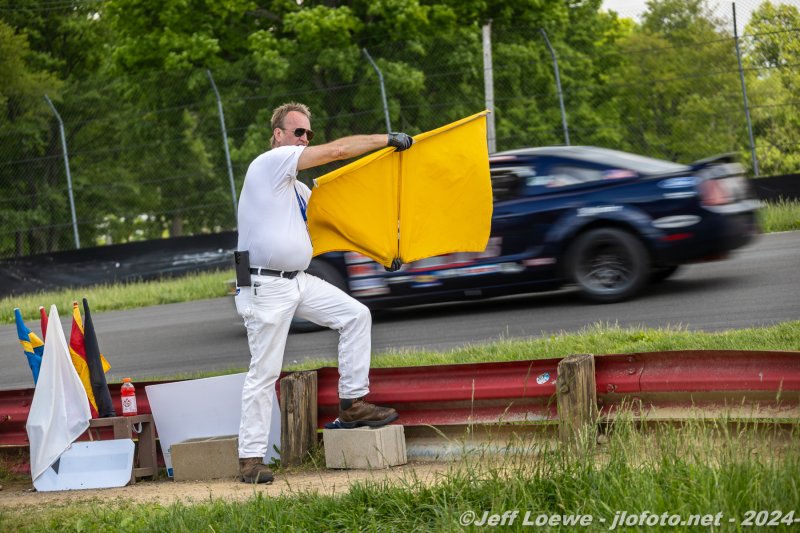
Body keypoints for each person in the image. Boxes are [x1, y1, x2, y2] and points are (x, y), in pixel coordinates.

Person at [235, 102, 413, 484]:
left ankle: (351, 404)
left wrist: (381, 253)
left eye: (308, 134)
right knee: (264, 372)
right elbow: (338, 151)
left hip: (298, 280)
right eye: (298, 132)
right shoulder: (270, 163)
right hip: (266, 286)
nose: (304, 139)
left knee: (356, 315)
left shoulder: (298, 189)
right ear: (278, 135)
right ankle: (250, 460)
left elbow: (335, 226)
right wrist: (386, 140)